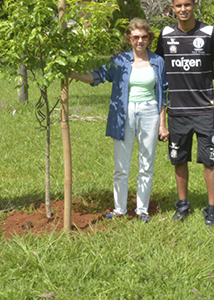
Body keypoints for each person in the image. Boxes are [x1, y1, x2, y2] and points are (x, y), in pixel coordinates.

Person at [70, 18, 168, 223]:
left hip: (150, 112)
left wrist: (162, 124)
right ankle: (119, 208)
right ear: (129, 39)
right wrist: (73, 74)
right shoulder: (120, 61)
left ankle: (142, 209)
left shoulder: (158, 61)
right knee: (121, 165)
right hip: (124, 113)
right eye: (135, 37)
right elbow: (98, 76)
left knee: (146, 164)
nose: (140, 41)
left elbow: (162, 94)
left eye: (144, 37)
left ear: (149, 38)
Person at [156, 0, 214, 226]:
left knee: (210, 161)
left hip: (206, 109)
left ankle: (212, 208)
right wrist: (161, 116)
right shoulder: (165, 34)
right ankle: (183, 205)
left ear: (194, 4)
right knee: (179, 160)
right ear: (172, 8)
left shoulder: (208, 33)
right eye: (178, 6)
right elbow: (158, 69)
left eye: (187, 4)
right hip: (178, 111)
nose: (183, 9)